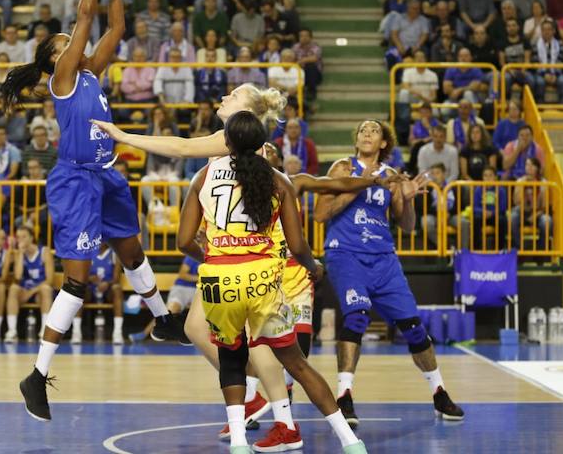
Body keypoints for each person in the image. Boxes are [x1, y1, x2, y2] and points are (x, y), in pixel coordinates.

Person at [92, 90, 385, 450]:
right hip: (252, 261)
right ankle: (282, 414)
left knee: (249, 348)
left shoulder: (224, 147)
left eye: (234, 94)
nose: (224, 95)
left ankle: (277, 417)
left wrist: (122, 135)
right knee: (216, 334)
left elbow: (179, 148)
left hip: (252, 257)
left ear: (242, 115)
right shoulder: (254, 153)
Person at [1, 0, 187, 422]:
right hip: (76, 182)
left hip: (108, 175)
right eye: (64, 42)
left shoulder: (92, 73)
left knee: (133, 252)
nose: (74, 39)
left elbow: (116, 25)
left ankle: (164, 320)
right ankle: (36, 376)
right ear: (54, 59)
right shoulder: (63, 77)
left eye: (72, 40)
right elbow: (85, 17)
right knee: (78, 284)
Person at [177, 111, 369, 454]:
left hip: (220, 280)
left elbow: (182, 241)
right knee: (296, 362)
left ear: (228, 141)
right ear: (262, 144)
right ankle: (350, 440)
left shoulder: (203, 177)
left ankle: (238, 443)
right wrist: (313, 266)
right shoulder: (279, 180)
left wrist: (212, 257)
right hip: (263, 279)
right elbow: (296, 246)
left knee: (232, 360)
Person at [314, 120, 464, 426]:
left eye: (373, 131)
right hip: (346, 253)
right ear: (356, 140)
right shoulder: (343, 168)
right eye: (362, 130)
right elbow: (320, 214)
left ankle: (439, 392)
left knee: (413, 326)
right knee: (357, 316)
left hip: (383, 258)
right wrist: (361, 185)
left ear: (384, 143)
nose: (366, 133)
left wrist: (406, 199)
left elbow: (407, 225)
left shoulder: (392, 176)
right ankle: (344, 396)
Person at [5, 226, 54, 343]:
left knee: (46, 289)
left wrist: (31, 291)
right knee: (13, 288)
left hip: (39, 293)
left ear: (31, 238)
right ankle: (12, 331)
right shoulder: (18, 254)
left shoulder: (44, 251)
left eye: (24, 236)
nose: (20, 240)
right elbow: (17, 277)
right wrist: (21, 254)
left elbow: (50, 280)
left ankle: (44, 331)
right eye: (18, 237)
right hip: (23, 292)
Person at [70, 242, 125, 345]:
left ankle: (117, 333)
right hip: (90, 289)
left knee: (117, 289)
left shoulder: (114, 254)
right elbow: (80, 276)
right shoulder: (87, 252)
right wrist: (90, 278)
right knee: (79, 289)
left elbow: (116, 279)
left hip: (108, 290)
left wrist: (107, 283)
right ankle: (76, 332)